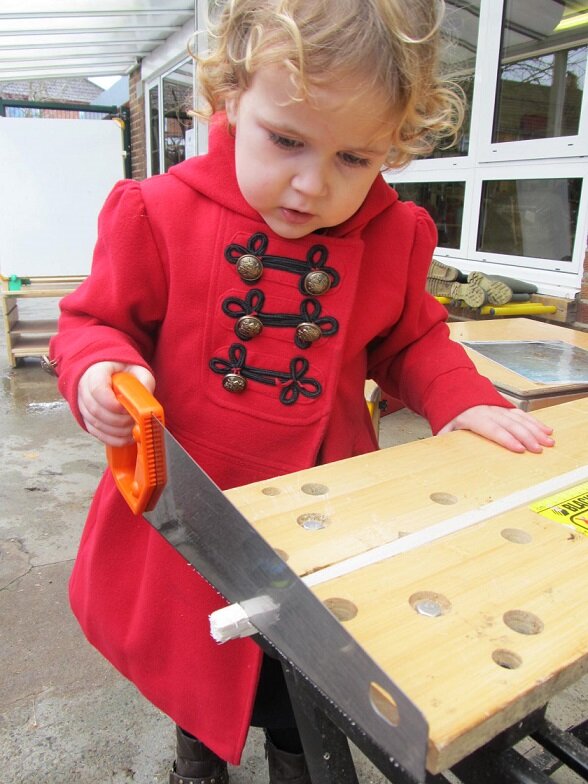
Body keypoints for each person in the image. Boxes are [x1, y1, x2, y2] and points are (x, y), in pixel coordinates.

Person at [49, 1, 554, 782]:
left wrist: (461, 400)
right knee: (191, 659)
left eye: (356, 158)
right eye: (286, 140)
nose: (312, 185)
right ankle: (196, 755)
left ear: (395, 146)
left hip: (324, 512)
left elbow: (412, 340)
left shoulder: (394, 233)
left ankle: (298, 760)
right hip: (189, 507)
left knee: (300, 673)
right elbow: (93, 321)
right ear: (227, 101)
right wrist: (97, 371)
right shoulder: (158, 212)